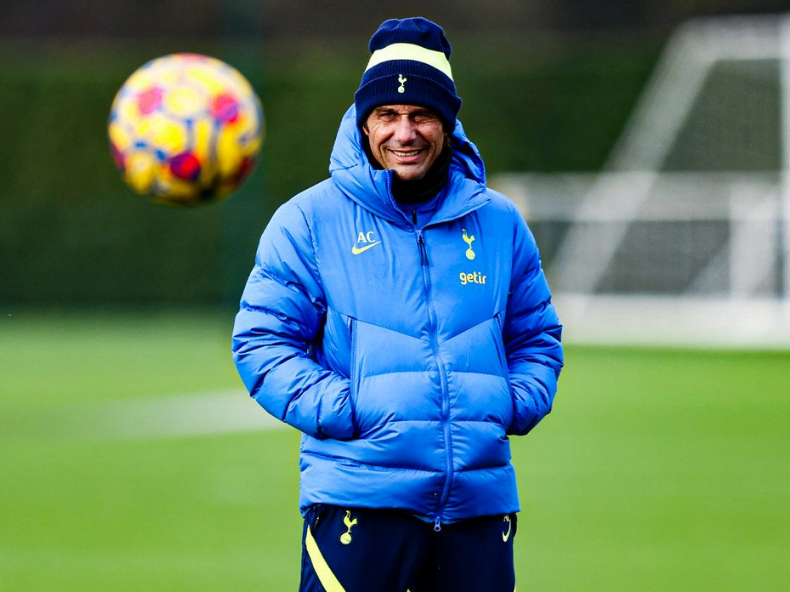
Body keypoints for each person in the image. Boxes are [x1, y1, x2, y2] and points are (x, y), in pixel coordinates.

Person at [232, 16, 563, 592]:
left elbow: (536, 337)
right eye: (387, 114)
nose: (404, 133)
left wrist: (510, 404)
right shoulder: (308, 220)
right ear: (364, 122)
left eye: (421, 115)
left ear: (448, 123)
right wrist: (351, 409)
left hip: (478, 507)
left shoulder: (499, 221)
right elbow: (261, 343)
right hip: (360, 501)